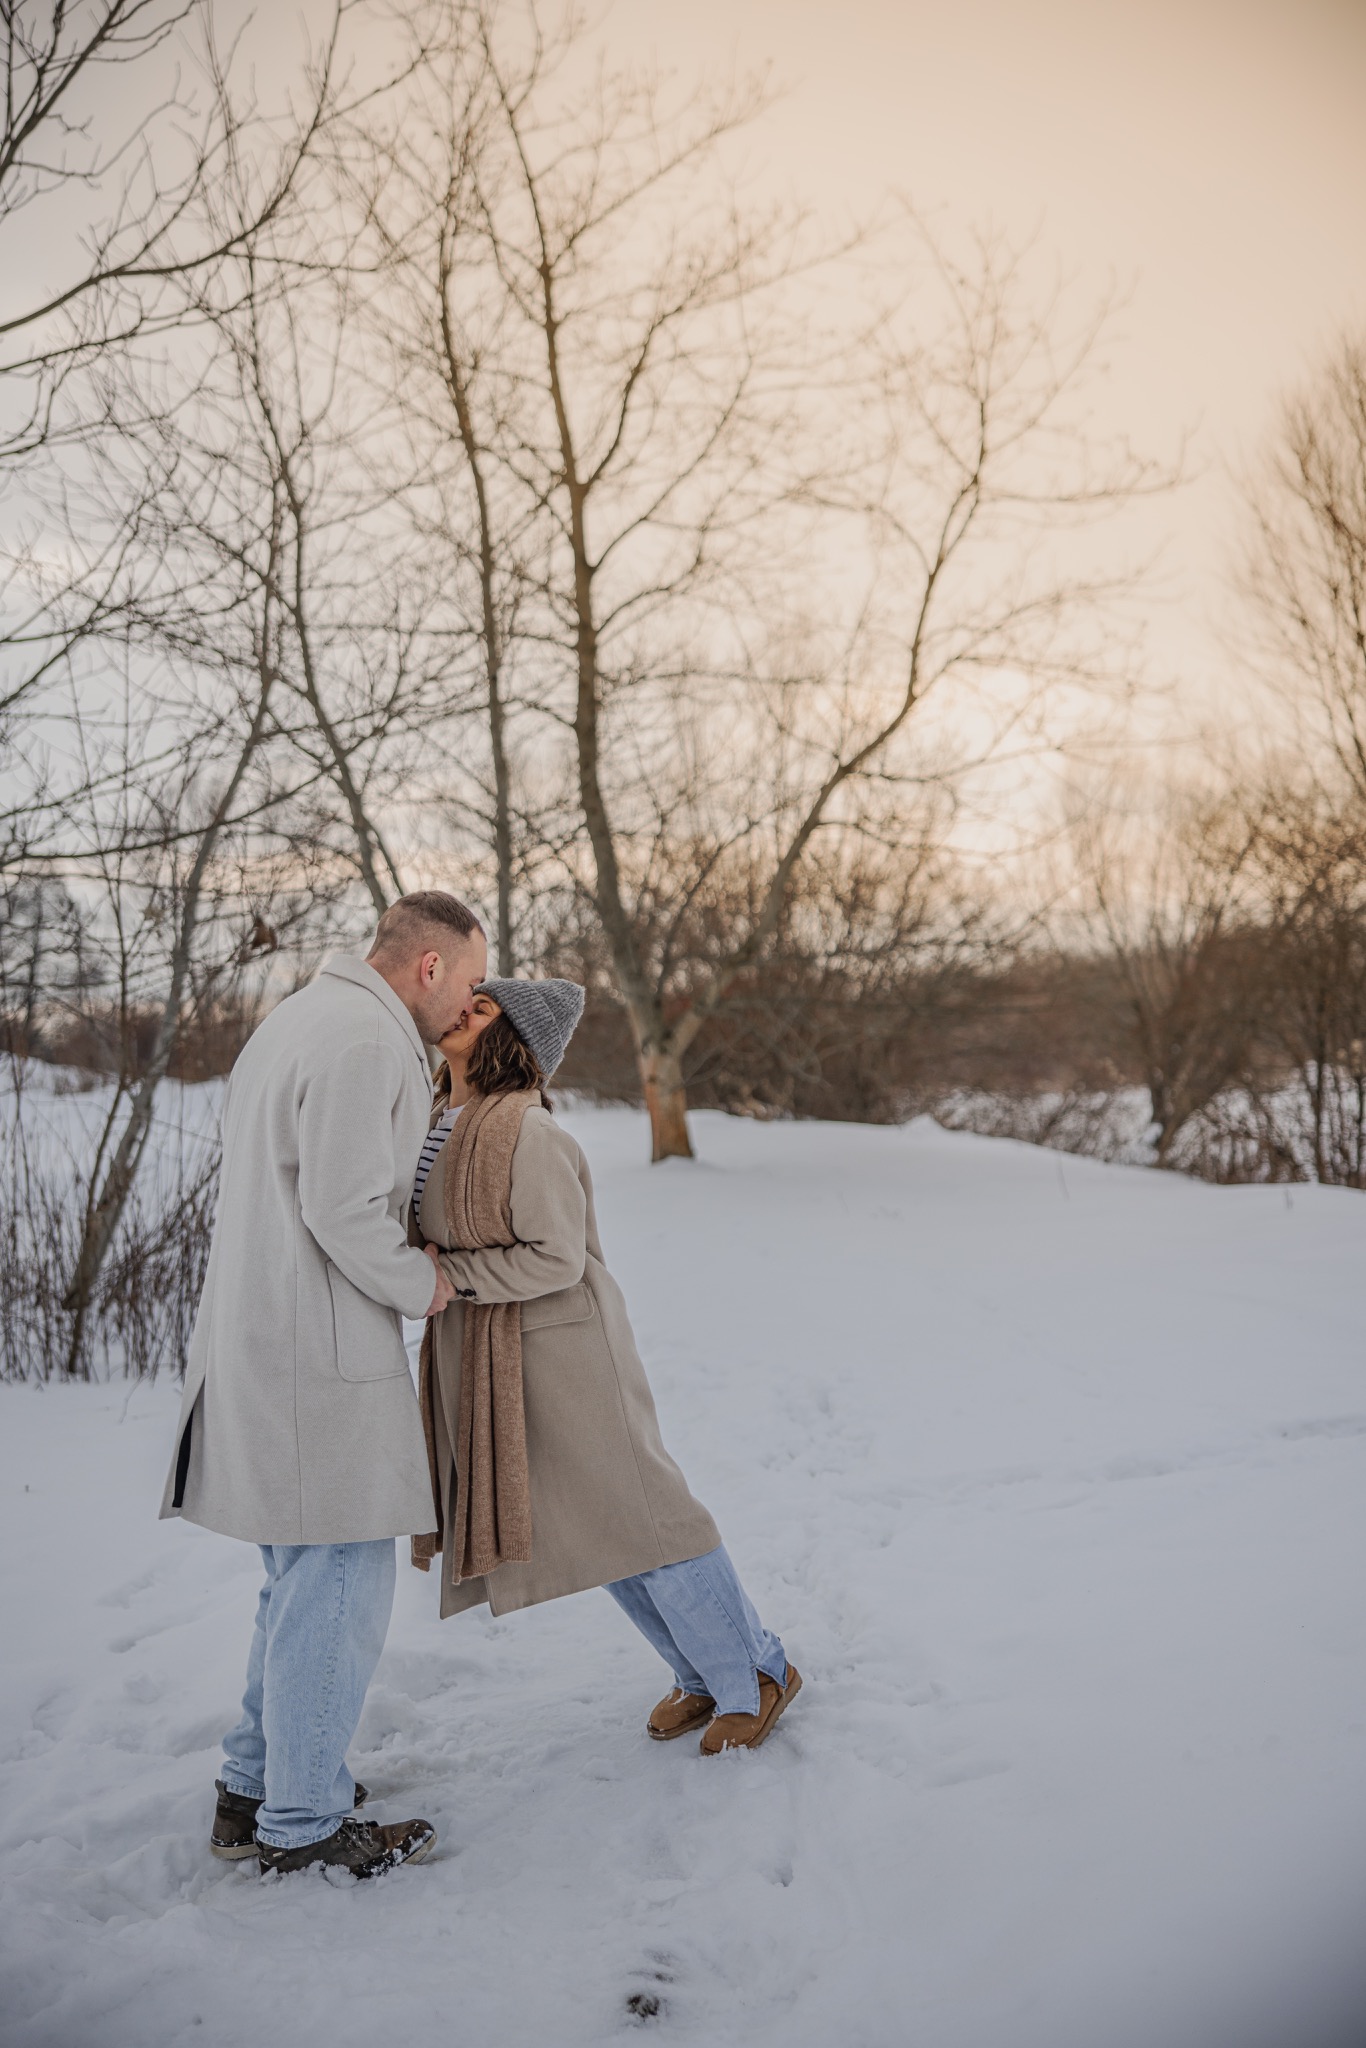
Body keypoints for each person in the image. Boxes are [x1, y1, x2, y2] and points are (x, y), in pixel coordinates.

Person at [159, 892, 488, 1879]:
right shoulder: (364, 1040)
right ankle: (301, 1823)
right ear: (428, 965)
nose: (470, 1000)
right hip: (313, 1354)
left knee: (299, 1581)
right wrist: (421, 1281)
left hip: (267, 1340)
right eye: (471, 979)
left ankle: (251, 1789)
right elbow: (345, 1211)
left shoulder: (301, 1017)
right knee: (341, 1575)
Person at [412, 977, 802, 1754]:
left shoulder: (529, 1134)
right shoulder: (437, 1122)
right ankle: (699, 1675)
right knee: (603, 1532)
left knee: (646, 1514)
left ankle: (756, 1672)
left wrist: (449, 1277)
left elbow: (556, 1258)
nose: (462, 1008)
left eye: (483, 1007)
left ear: (512, 1040)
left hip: (564, 1348)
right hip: (497, 1353)